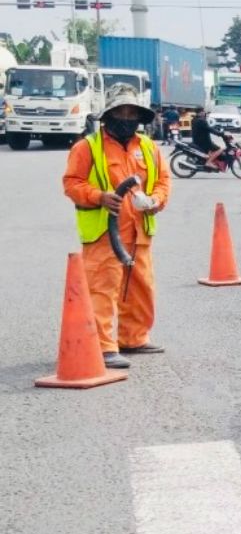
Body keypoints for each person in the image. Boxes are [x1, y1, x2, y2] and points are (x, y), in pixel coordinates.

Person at [61, 84, 173, 370]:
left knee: (140, 289)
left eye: (131, 112)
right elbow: (72, 183)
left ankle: (133, 338)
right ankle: (103, 346)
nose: (126, 117)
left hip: (139, 233)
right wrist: (99, 196)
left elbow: (162, 180)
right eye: (120, 111)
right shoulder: (87, 147)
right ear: (107, 115)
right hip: (104, 234)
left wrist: (156, 200)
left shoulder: (148, 147)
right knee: (102, 288)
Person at [190, 107, 229, 171]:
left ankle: (209, 161)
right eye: (203, 111)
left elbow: (207, 128)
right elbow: (210, 129)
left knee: (212, 150)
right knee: (220, 149)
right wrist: (220, 134)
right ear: (201, 112)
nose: (204, 113)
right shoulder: (201, 121)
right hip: (204, 142)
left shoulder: (195, 119)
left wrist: (218, 131)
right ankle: (208, 163)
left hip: (198, 140)